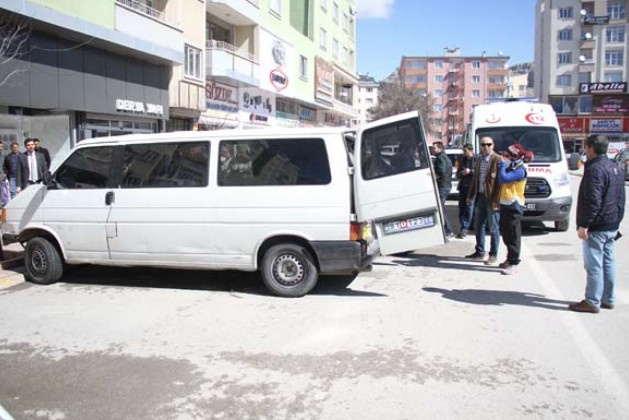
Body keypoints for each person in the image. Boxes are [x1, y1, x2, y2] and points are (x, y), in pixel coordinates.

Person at [569, 135, 625, 313]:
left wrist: (584, 225)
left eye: (586, 146)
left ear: (591, 148)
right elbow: (620, 199)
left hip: (598, 225)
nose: (585, 150)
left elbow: (593, 200)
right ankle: (608, 298)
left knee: (594, 265)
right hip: (611, 223)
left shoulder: (595, 169)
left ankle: (592, 301)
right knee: (608, 262)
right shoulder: (614, 167)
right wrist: (617, 220)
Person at [465, 136, 502, 265]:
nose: (486, 147)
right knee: (479, 225)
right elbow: (475, 180)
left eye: (488, 144)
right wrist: (470, 196)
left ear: (493, 145)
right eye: (483, 144)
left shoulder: (497, 160)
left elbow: (500, 182)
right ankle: (480, 252)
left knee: (493, 227)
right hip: (480, 197)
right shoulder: (479, 159)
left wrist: (497, 200)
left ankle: (493, 254)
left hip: (492, 199)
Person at [497, 143, 528, 275]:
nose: (504, 157)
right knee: (507, 234)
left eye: (507, 155)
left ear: (515, 157)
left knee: (514, 235)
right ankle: (509, 259)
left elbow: (503, 179)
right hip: (505, 204)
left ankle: (514, 262)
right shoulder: (512, 167)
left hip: (514, 206)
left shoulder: (520, 170)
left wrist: (502, 165)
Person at [431, 141, 454, 238]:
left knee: (440, 209)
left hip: (443, 186)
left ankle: (448, 230)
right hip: (446, 185)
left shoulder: (440, 158)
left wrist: (433, 177)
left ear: (440, 149)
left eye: (434, 148)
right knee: (440, 208)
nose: (432, 150)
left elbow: (441, 171)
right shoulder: (444, 157)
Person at [456, 144, 476, 238]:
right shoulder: (463, 160)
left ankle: (465, 228)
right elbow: (458, 174)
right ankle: (463, 227)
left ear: (470, 150)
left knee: (469, 208)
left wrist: (470, 171)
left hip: (471, 188)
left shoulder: (476, 159)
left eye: (465, 151)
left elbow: (479, 172)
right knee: (461, 208)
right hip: (463, 187)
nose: (464, 153)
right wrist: (462, 173)